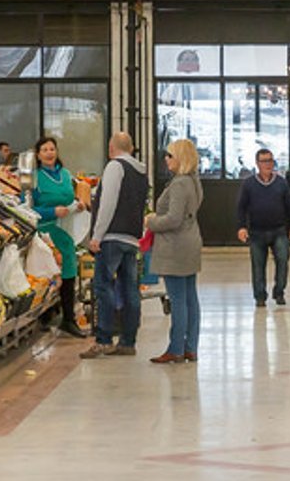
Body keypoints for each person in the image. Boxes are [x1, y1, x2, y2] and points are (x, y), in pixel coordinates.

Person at [82, 132, 148, 357]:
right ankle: (128, 342)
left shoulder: (114, 167)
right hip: (132, 238)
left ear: (111, 148)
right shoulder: (141, 171)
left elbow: (107, 203)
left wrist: (97, 236)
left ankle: (104, 339)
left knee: (103, 287)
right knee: (130, 290)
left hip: (111, 237)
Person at [147, 139, 204, 363]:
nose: (166, 159)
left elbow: (173, 218)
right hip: (190, 241)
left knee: (178, 299)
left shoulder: (180, 183)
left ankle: (176, 348)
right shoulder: (193, 181)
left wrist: (151, 221)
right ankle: (191, 347)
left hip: (175, 246)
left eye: (170, 155)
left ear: (180, 158)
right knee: (190, 297)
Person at [28, 136, 86, 337]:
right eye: (44, 150)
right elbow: (28, 208)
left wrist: (76, 205)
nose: (49, 153)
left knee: (69, 270)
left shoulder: (66, 174)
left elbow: (70, 198)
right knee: (48, 272)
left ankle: (68, 318)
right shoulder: (34, 177)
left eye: (52, 149)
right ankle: (44, 315)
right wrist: (52, 212)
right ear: (38, 155)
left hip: (67, 230)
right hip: (46, 231)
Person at [236, 148, 290, 308]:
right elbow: (241, 208)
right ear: (257, 164)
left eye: (270, 161)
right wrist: (241, 227)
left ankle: (279, 292)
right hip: (256, 232)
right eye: (264, 161)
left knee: (283, 259)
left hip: (278, 230)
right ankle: (260, 296)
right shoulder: (249, 184)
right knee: (258, 266)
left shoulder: (281, 183)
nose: (268, 164)